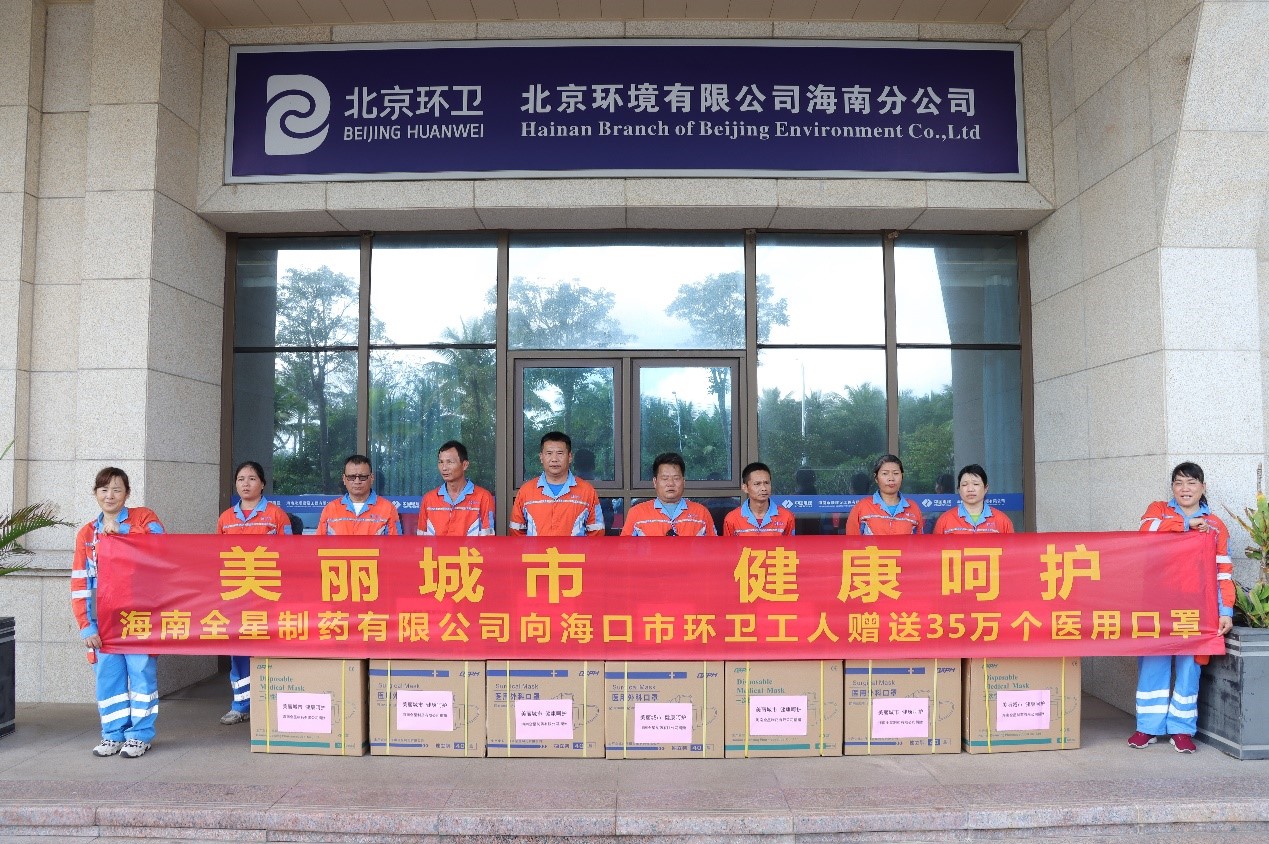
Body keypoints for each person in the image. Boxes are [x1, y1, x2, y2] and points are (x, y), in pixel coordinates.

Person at [1130, 462, 1235, 753]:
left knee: (1190, 668)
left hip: (1196, 608)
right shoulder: (1159, 511)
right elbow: (1144, 532)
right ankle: (1147, 728)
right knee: (1153, 664)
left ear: (1203, 487)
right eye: (1178, 483)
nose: (1184, 489)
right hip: (1157, 604)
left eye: (1191, 483)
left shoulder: (1216, 525)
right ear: (1172, 488)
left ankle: (1182, 729)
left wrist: (1225, 611)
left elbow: (1223, 572)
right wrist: (1186, 525)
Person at [70, 467, 165, 758]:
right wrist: (86, 625)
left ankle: (140, 736)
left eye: (116, 490)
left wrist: (123, 532)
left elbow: (162, 545)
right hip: (104, 620)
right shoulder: (87, 533)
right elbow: (80, 582)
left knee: (141, 676)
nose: (109, 495)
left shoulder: (143, 518)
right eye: (104, 490)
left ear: (127, 493)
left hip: (139, 615)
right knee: (108, 679)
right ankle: (112, 735)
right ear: (95, 493)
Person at [215, 460, 291, 726]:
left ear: (262, 484)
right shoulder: (226, 518)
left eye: (251, 479)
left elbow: (291, 554)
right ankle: (241, 705)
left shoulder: (276, 516)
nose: (246, 484)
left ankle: (271, 704)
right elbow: (217, 555)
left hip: (268, 594)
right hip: (237, 594)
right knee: (239, 649)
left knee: (270, 647)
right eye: (241, 479)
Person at [508, 431, 604, 536]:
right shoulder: (526, 491)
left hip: (575, 548)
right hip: (535, 548)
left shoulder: (586, 491)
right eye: (549, 453)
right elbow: (516, 531)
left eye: (560, 453)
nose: (554, 459)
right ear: (541, 457)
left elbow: (596, 532)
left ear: (570, 457)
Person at [622, 452, 717, 536]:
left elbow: (713, 548)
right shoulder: (637, 513)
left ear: (683, 482)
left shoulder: (701, 513)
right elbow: (625, 548)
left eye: (676, 478)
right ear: (655, 482)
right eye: (665, 478)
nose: (671, 483)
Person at [417, 440, 495, 536]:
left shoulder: (483, 497)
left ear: (465, 465)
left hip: (471, 547)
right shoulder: (429, 499)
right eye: (441, 462)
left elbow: (488, 539)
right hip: (436, 547)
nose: (444, 468)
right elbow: (421, 539)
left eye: (449, 462)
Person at [316, 455, 403, 535]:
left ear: (372, 478)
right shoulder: (330, 509)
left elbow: (396, 545)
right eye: (351, 477)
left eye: (362, 477)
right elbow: (319, 544)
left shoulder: (388, 509)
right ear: (344, 479)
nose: (357, 482)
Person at [845, 454, 923, 535]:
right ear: (876, 478)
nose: (891, 478)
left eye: (896, 473)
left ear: (902, 477)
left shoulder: (913, 508)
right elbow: (851, 541)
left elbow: (920, 541)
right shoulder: (861, 507)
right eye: (885, 473)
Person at [932, 464, 1015, 535]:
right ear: (959, 490)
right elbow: (936, 548)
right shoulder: (945, 520)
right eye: (964, 485)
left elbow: (1011, 548)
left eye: (976, 484)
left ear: (986, 488)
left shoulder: (1002, 521)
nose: (970, 489)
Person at [723, 461, 795, 536]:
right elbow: (727, 544)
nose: (764, 488)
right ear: (745, 488)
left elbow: (792, 543)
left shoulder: (787, 516)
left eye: (767, 483)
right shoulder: (732, 518)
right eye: (757, 484)